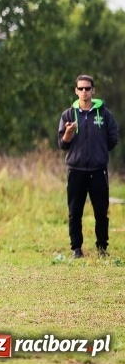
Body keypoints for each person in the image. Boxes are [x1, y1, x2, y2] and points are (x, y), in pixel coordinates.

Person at [58, 74, 118, 259]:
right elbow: (62, 144)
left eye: (87, 88)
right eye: (81, 88)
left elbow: (112, 139)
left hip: (98, 170)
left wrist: (99, 153)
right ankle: (76, 248)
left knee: (101, 212)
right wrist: (68, 133)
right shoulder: (68, 115)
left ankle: (102, 247)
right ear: (76, 91)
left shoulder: (104, 114)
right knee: (75, 212)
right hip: (76, 170)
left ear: (93, 90)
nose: (84, 92)